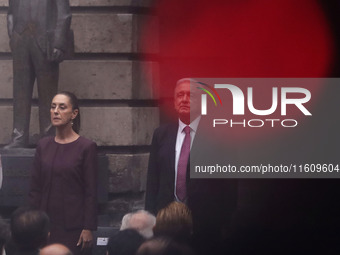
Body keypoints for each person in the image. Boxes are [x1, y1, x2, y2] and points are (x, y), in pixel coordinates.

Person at [145, 78, 237, 255]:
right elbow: (153, 179)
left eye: (190, 95)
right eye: (180, 95)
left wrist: (226, 222)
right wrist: (150, 216)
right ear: (174, 101)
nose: (184, 99)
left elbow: (230, 184)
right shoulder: (161, 134)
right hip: (166, 222)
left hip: (206, 223)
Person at [29, 92, 98, 255]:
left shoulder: (86, 147)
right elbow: (35, 188)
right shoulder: (43, 145)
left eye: (62, 107)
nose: (55, 111)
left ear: (74, 113)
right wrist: (35, 223)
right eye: (53, 107)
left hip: (74, 226)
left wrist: (88, 227)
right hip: (45, 225)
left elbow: (91, 191)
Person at [5, 0, 72, 148]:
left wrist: (59, 43)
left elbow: (64, 14)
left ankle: (48, 137)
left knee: (48, 94)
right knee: (20, 92)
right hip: (20, 41)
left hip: (45, 42)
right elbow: (10, 13)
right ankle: (19, 136)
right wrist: (13, 37)